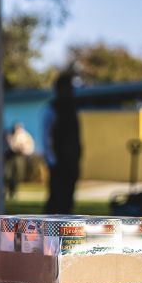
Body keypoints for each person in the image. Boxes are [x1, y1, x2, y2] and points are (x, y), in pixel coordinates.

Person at [42, 72, 81, 213]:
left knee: (68, 200)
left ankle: (65, 230)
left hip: (72, 161)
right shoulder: (52, 109)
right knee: (56, 198)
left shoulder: (72, 109)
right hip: (59, 162)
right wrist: (52, 160)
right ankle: (47, 231)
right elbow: (46, 136)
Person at [4, 122, 35, 200]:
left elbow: (30, 146)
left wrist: (23, 149)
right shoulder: (10, 135)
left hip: (20, 156)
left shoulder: (25, 136)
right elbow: (11, 146)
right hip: (10, 156)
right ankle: (5, 192)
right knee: (7, 174)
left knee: (18, 175)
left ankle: (14, 192)